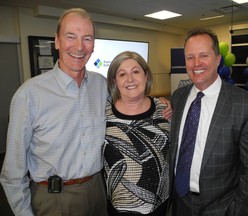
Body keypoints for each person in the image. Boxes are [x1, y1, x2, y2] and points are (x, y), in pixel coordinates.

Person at [0, 8, 172, 216]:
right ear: (57, 41)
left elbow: (130, 100)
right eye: (70, 37)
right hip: (54, 198)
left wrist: (161, 102)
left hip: (99, 192)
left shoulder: (100, 86)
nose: (79, 47)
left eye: (87, 39)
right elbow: (12, 170)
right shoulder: (29, 95)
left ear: (93, 45)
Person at [169, 27, 248, 215]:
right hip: (179, 202)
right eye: (190, 57)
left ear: (217, 59)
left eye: (203, 56)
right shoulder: (178, 97)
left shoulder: (247, 105)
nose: (196, 63)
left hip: (222, 207)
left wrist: (236, 210)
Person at [103, 51, 170, 216]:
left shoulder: (165, 110)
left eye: (136, 71)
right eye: (122, 74)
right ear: (115, 81)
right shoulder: (103, 113)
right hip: (117, 209)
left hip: (160, 206)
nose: (130, 79)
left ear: (146, 75)